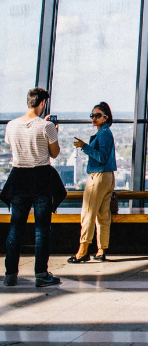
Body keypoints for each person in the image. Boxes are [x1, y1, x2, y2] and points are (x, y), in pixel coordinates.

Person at [1, 88, 67, 287]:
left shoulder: (11, 126)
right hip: (40, 178)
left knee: (15, 228)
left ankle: (10, 274)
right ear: (43, 103)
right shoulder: (47, 126)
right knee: (42, 229)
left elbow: (13, 148)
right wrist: (53, 130)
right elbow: (54, 154)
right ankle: (41, 274)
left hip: (18, 177)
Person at [69, 102, 117, 263]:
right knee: (103, 215)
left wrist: (85, 146)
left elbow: (101, 157)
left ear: (106, 117)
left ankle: (83, 251)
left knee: (88, 213)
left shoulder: (103, 134)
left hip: (98, 177)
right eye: (92, 115)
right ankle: (101, 249)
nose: (94, 118)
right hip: (107, 177)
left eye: (97, 115)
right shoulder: (105, 133)